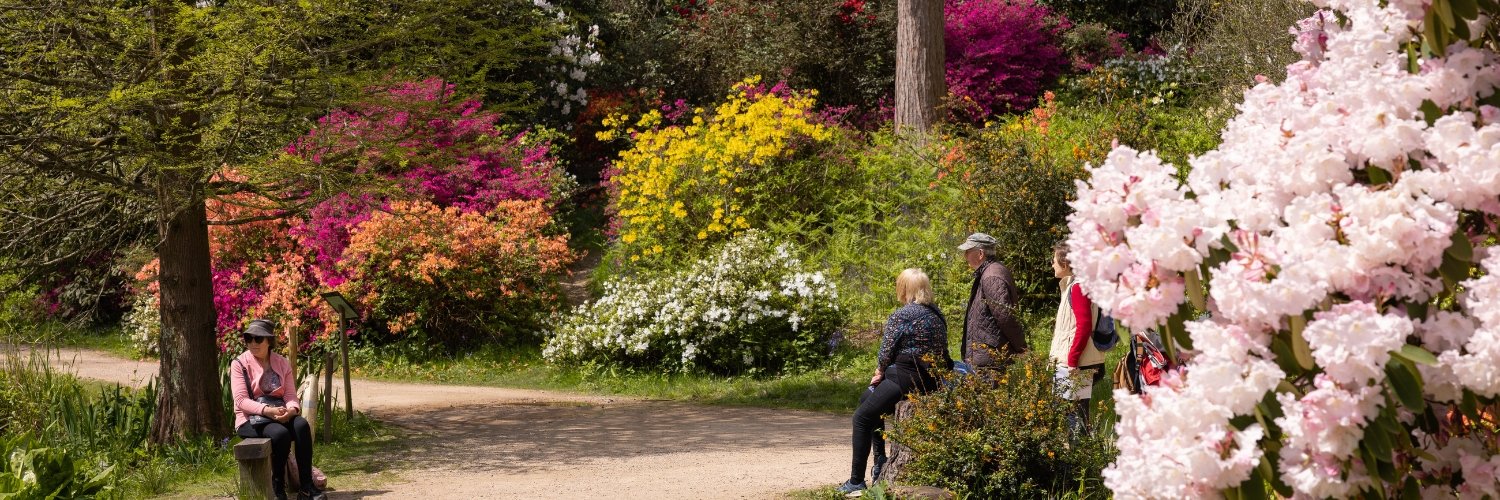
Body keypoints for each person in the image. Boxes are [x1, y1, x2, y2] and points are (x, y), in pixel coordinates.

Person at [838, 269, 950, 494]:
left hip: (905, 377)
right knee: (866, 399)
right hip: (931, 380)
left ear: (904, 289)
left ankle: (856, 482)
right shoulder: (937, 314)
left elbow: (886, 350)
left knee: (861, 418)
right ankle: (880, 459)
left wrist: (879, 371)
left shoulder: (903, 314)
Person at [230, 319, 325, 500]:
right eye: (249, 339)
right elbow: (241, 401)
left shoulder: (282, 362)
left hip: (278, 413)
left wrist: (291, 410)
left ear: (269, 341)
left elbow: (290, 395)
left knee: (301, 426)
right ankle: (278, 488)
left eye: (258, 339)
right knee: (280, 434)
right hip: (250, 419)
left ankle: (307, 488)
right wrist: (268, 411)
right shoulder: (239, 364)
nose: (253, 343)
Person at [1048, 242, 1105, 436]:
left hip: (1075, 364)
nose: (1052, 264)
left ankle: (1080, 454)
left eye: (1054, 260)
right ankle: (1081, 452)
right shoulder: (1074, 286)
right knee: (1073, 416)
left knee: (1074, 419)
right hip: (1074, 362)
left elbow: (1084, 325)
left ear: (1065, 263)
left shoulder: (1078, 287)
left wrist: (1072, 360)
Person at [958, 232, 1026, 372]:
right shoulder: (990, 272)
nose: (965, 256)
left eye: (968, 251)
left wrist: (1022, 348)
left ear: (980, 253)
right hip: (988, 357)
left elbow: (1005, 317)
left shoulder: (991, 276)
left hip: (989, 361)